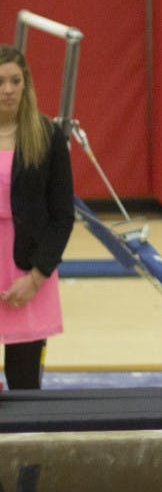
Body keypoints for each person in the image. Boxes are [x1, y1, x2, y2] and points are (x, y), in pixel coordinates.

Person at [0, 44, 74, 390]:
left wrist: (35, 277)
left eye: (16, 81)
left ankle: (23, 445)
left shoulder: (47, 137)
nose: (8, 89)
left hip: (28, 267)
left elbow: (62, 216)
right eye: (0, 82)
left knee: (24, 384)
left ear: (26, 84)